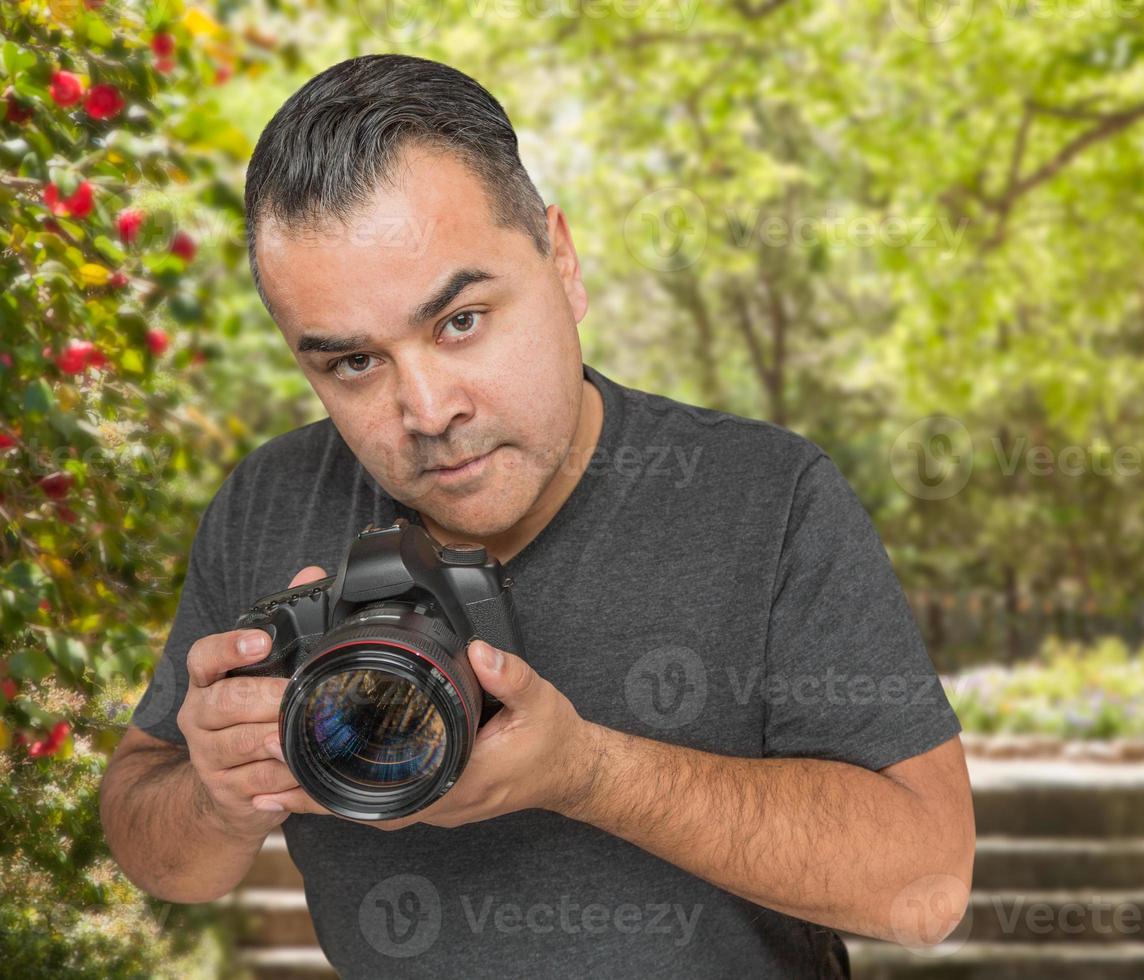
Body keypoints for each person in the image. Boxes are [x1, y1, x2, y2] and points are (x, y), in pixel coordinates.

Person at [99, 54, 974, 978]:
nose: (428, 409)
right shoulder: (271, 500)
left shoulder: (767, 495)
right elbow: (155, 844)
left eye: (461, 321)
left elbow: (926, 886)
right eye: (353, 364)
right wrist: (219, 797)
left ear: (562, 262)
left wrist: (587, 774)